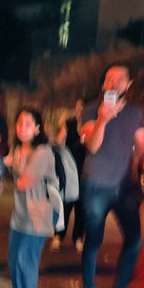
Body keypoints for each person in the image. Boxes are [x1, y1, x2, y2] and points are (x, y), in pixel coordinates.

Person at [78, 65, 144, 288]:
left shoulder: (135, 113)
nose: (113, 82)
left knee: (135, 239)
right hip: (96, 185)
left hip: (124, 187)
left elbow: (142, 147)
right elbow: (93, 147)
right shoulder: (90, 110)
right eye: (108, 78)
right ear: (102, 85)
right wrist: (102, 119)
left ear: (128, 85)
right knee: (94, 239)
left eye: (119, 79)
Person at [3, 108, 58, 288]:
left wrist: (2, 172)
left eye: (27, 124)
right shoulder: (19, 150)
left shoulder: (43, 152)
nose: (22, 128)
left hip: (39, 215)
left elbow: (25, 182)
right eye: (19, 123)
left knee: (27, 257)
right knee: (13, 255)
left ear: (37, 128)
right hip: (21, 213)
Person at [56, 99, 88, 251]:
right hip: (70, 170)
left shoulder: (92, 125)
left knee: (81, 208)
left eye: (83, 107)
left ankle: (78, 238)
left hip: (86, 171)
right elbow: (58, 142)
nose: (80, 110)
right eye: (78, 107)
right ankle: (58, 236)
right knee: (65, 205)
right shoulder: (69, 123)